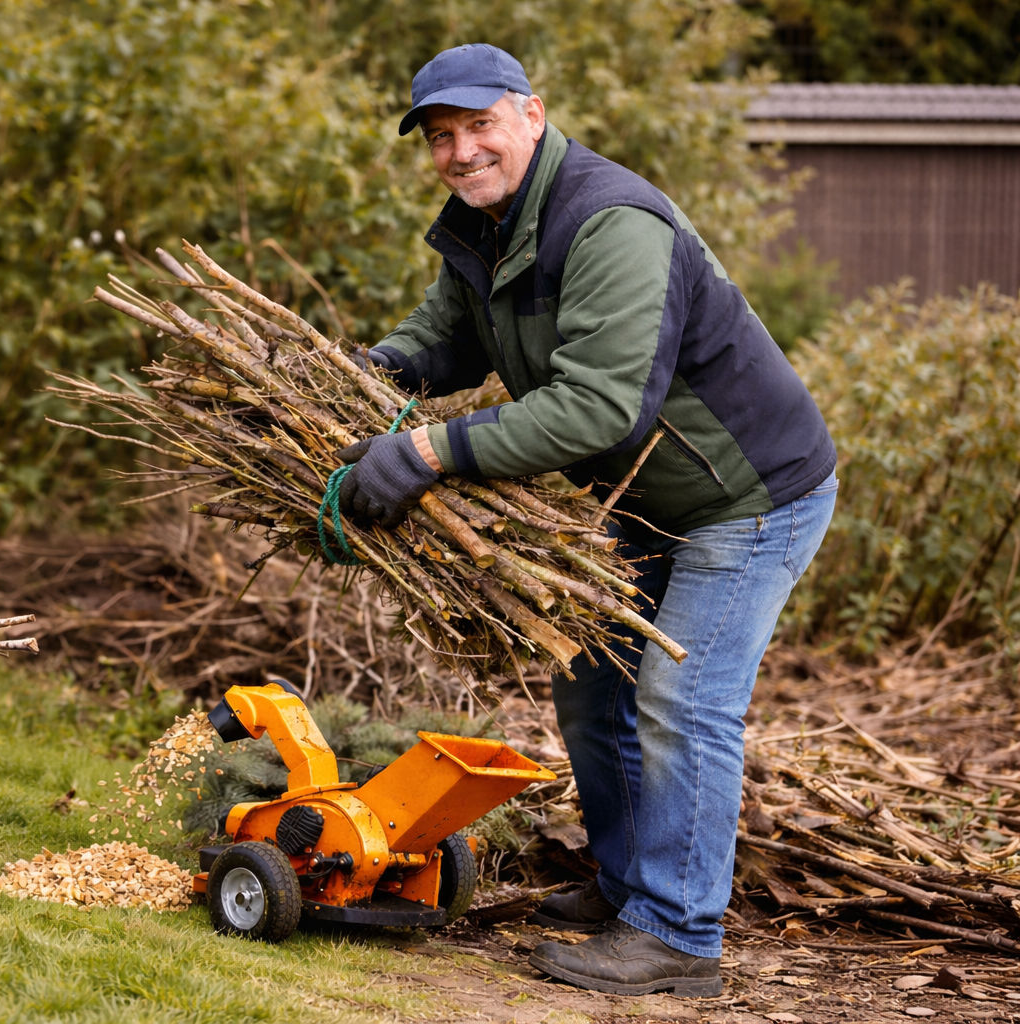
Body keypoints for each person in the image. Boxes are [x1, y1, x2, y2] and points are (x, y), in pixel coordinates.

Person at [337, 43, 838, 997]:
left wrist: (430, 453)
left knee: (684, 701)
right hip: (647, 494)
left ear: (530, 113)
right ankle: (628, 887)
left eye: (479, 125)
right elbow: (446, 337)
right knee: (592, 682)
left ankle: (679, 936)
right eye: (440, 137)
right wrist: (360, 376)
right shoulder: (485, 223)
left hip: (750, 495)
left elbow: (603, 409)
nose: (461, 151)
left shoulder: (610, 222)